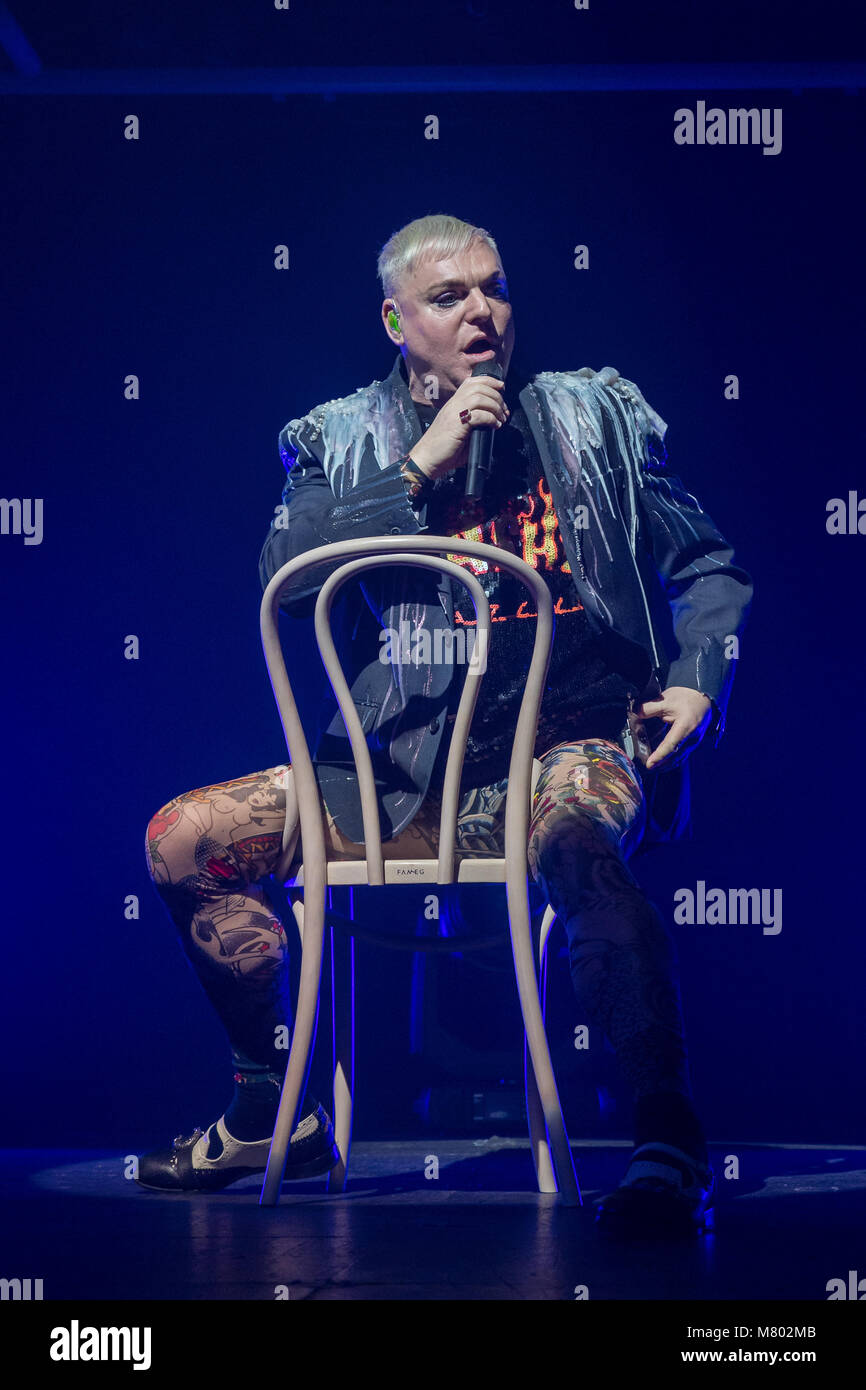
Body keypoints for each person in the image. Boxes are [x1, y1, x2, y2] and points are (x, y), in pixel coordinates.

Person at [139, 214, 753, 1236]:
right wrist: (417, 464)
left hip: (565, 745)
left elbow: (708, 566)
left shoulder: (588, 415)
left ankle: (663, 1133)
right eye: (447, 297)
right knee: (183, 839)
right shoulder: (340, 438)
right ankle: (268, 1108)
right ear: (395, 320)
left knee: (580, 845)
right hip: (392, 779)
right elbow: (282, 581)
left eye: (493, 288)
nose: (480, 312)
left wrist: (697, 676)